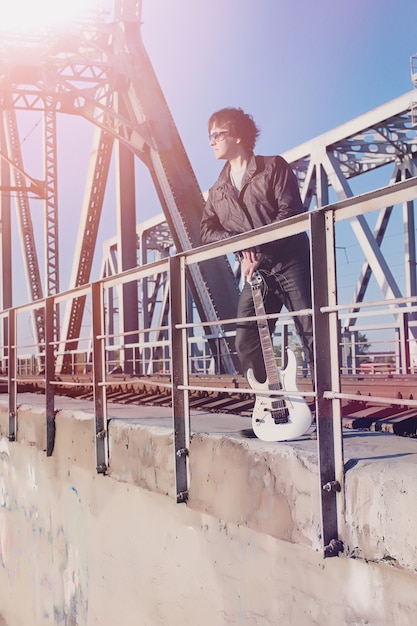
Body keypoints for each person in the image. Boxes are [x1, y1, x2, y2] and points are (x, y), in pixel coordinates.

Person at [200, 107, 313, 385]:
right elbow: (206, 230)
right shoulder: (218, 191)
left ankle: (327, 413)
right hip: (257, 272)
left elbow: (290, 212)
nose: (211, 141)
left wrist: (255, 248)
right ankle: (269, 412)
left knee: (312, 332)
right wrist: (240, 247)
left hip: (290, 261)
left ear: (237, 136)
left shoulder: (273, 166)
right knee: (247, 338)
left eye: (217, 134)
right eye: (209, 136)